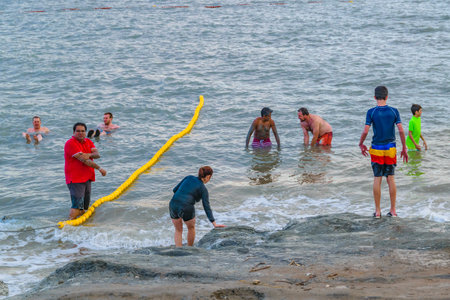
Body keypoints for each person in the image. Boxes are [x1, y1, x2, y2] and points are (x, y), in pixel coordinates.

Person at [359, 86, 408, 218]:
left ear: (375, 97)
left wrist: (361, 143)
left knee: (377, 178)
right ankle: (393, 210)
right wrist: (404, 148)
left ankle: (378, 211)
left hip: (376, 148)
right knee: (391, 178)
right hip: (390, 148)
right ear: (387, 97)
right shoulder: (394, 111)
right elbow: (401, 130)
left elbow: (365, 131)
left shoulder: (371, 112)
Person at [169, 166, 225, 247]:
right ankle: (189, 248)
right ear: (208, 176)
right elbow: (206, 206)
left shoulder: (189, 177)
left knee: (178, 230)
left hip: (173, 204)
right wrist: (214, 223)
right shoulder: (203, 189)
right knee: (191, 228)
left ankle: (178, 250)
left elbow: (174, 190)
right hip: (187, 207)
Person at [65, 122, 107, 220]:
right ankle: (67, 228)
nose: (81, 133)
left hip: (87, 178)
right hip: (76, 179)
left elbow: (97, 154)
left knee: (84, 207)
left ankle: (80, 229)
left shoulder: (88, 141)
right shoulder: (70, 143)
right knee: (76, 206)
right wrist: (100, 169)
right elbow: (84, 161)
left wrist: (88, 154)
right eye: (78, 131)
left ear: (86, 132)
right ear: (74, 132)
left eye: (83, 131)